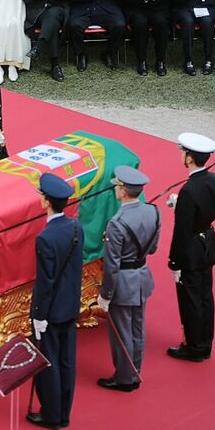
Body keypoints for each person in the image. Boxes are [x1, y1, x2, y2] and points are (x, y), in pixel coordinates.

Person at [96, 165, 159, 393]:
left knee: (122, 333)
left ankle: (124, 378)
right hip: (142, 277)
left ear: (122, 191)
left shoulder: (116, 223)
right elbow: (152, 248)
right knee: (137, 328)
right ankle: (134, 371)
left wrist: (105, 295)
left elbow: (112, 266)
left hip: (122, 283)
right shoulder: (153, 212)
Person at [27, 172, 83, 430]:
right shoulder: (76, 227)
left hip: (50, 311)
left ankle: (51, 415)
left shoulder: (45, 238)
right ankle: (65, 412)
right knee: (67, 361)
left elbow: (45, 281)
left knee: (48, 363)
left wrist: (38, 314)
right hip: (70, 305)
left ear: (47, 202)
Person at [167, 132, 215, 363]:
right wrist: (181, 205)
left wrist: (174, 261)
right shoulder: (214, 180)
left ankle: (193, 346)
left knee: (190, 299)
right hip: (207, 242)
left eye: (184, 152)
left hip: (190, 249)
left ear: (190, 158)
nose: (181, 155)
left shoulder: (189, 190)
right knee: (205, 297)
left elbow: (181, 231)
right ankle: (205, 343)